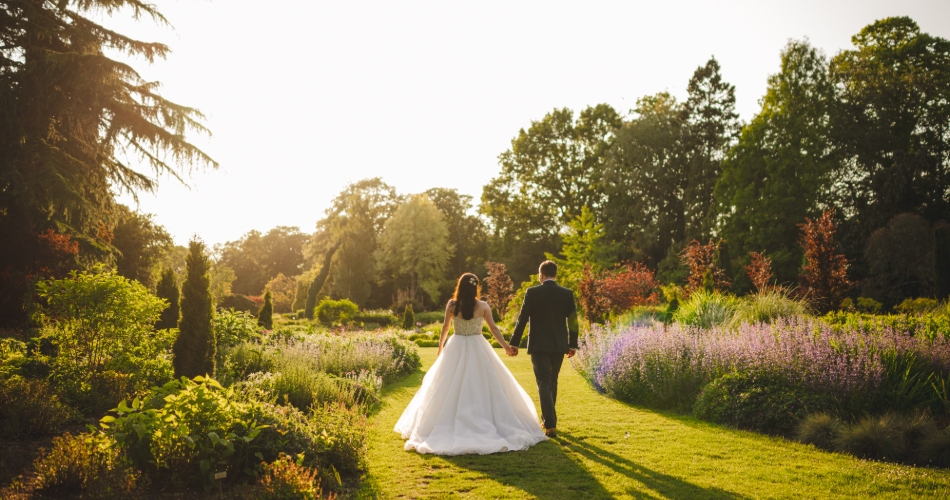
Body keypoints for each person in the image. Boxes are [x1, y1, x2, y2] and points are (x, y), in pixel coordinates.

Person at [394, 273, 547, 455]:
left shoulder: (452, 305)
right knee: (483, 384)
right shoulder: (482, 306)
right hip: (477, 345)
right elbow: (494, 328)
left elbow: (445, 327)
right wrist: (506, 346)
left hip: (456, 345)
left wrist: (441, 346)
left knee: (446, 385)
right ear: (476, 287)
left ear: (460, 286)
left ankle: (444, 422)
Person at [508, 260, 579, 438]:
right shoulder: (566, 293)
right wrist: (572, 344)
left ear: (541, 275)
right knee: (552, 381)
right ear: (555, 274)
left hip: (539, 345)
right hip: (558, 345)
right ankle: (549, 420)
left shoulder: (532, 292)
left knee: (543, 382)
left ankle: (550, 424)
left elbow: (522, 319)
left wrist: (514, 342)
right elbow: (573, 321)